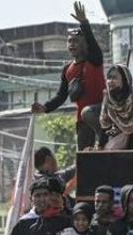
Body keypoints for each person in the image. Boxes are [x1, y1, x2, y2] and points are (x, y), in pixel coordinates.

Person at [32, 2, 105, 150]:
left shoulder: (94, 60)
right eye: (69, 41)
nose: (72, 44)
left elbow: (93, 45)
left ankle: (105, 140)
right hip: (83, 121)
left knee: (106, 151)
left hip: (102, 115)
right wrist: (45, 107)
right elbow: (61, 96)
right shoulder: (67, 69)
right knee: (85, 158)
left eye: (76, 41)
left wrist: (84, 23)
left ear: (84, 43)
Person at [99, 64, 133, 149]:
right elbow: (105, 124)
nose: (110, 81)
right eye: (109, 78)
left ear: (124, 80)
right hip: (118, 138)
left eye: (114, 78)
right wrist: (100, 146)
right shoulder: (108, 98)